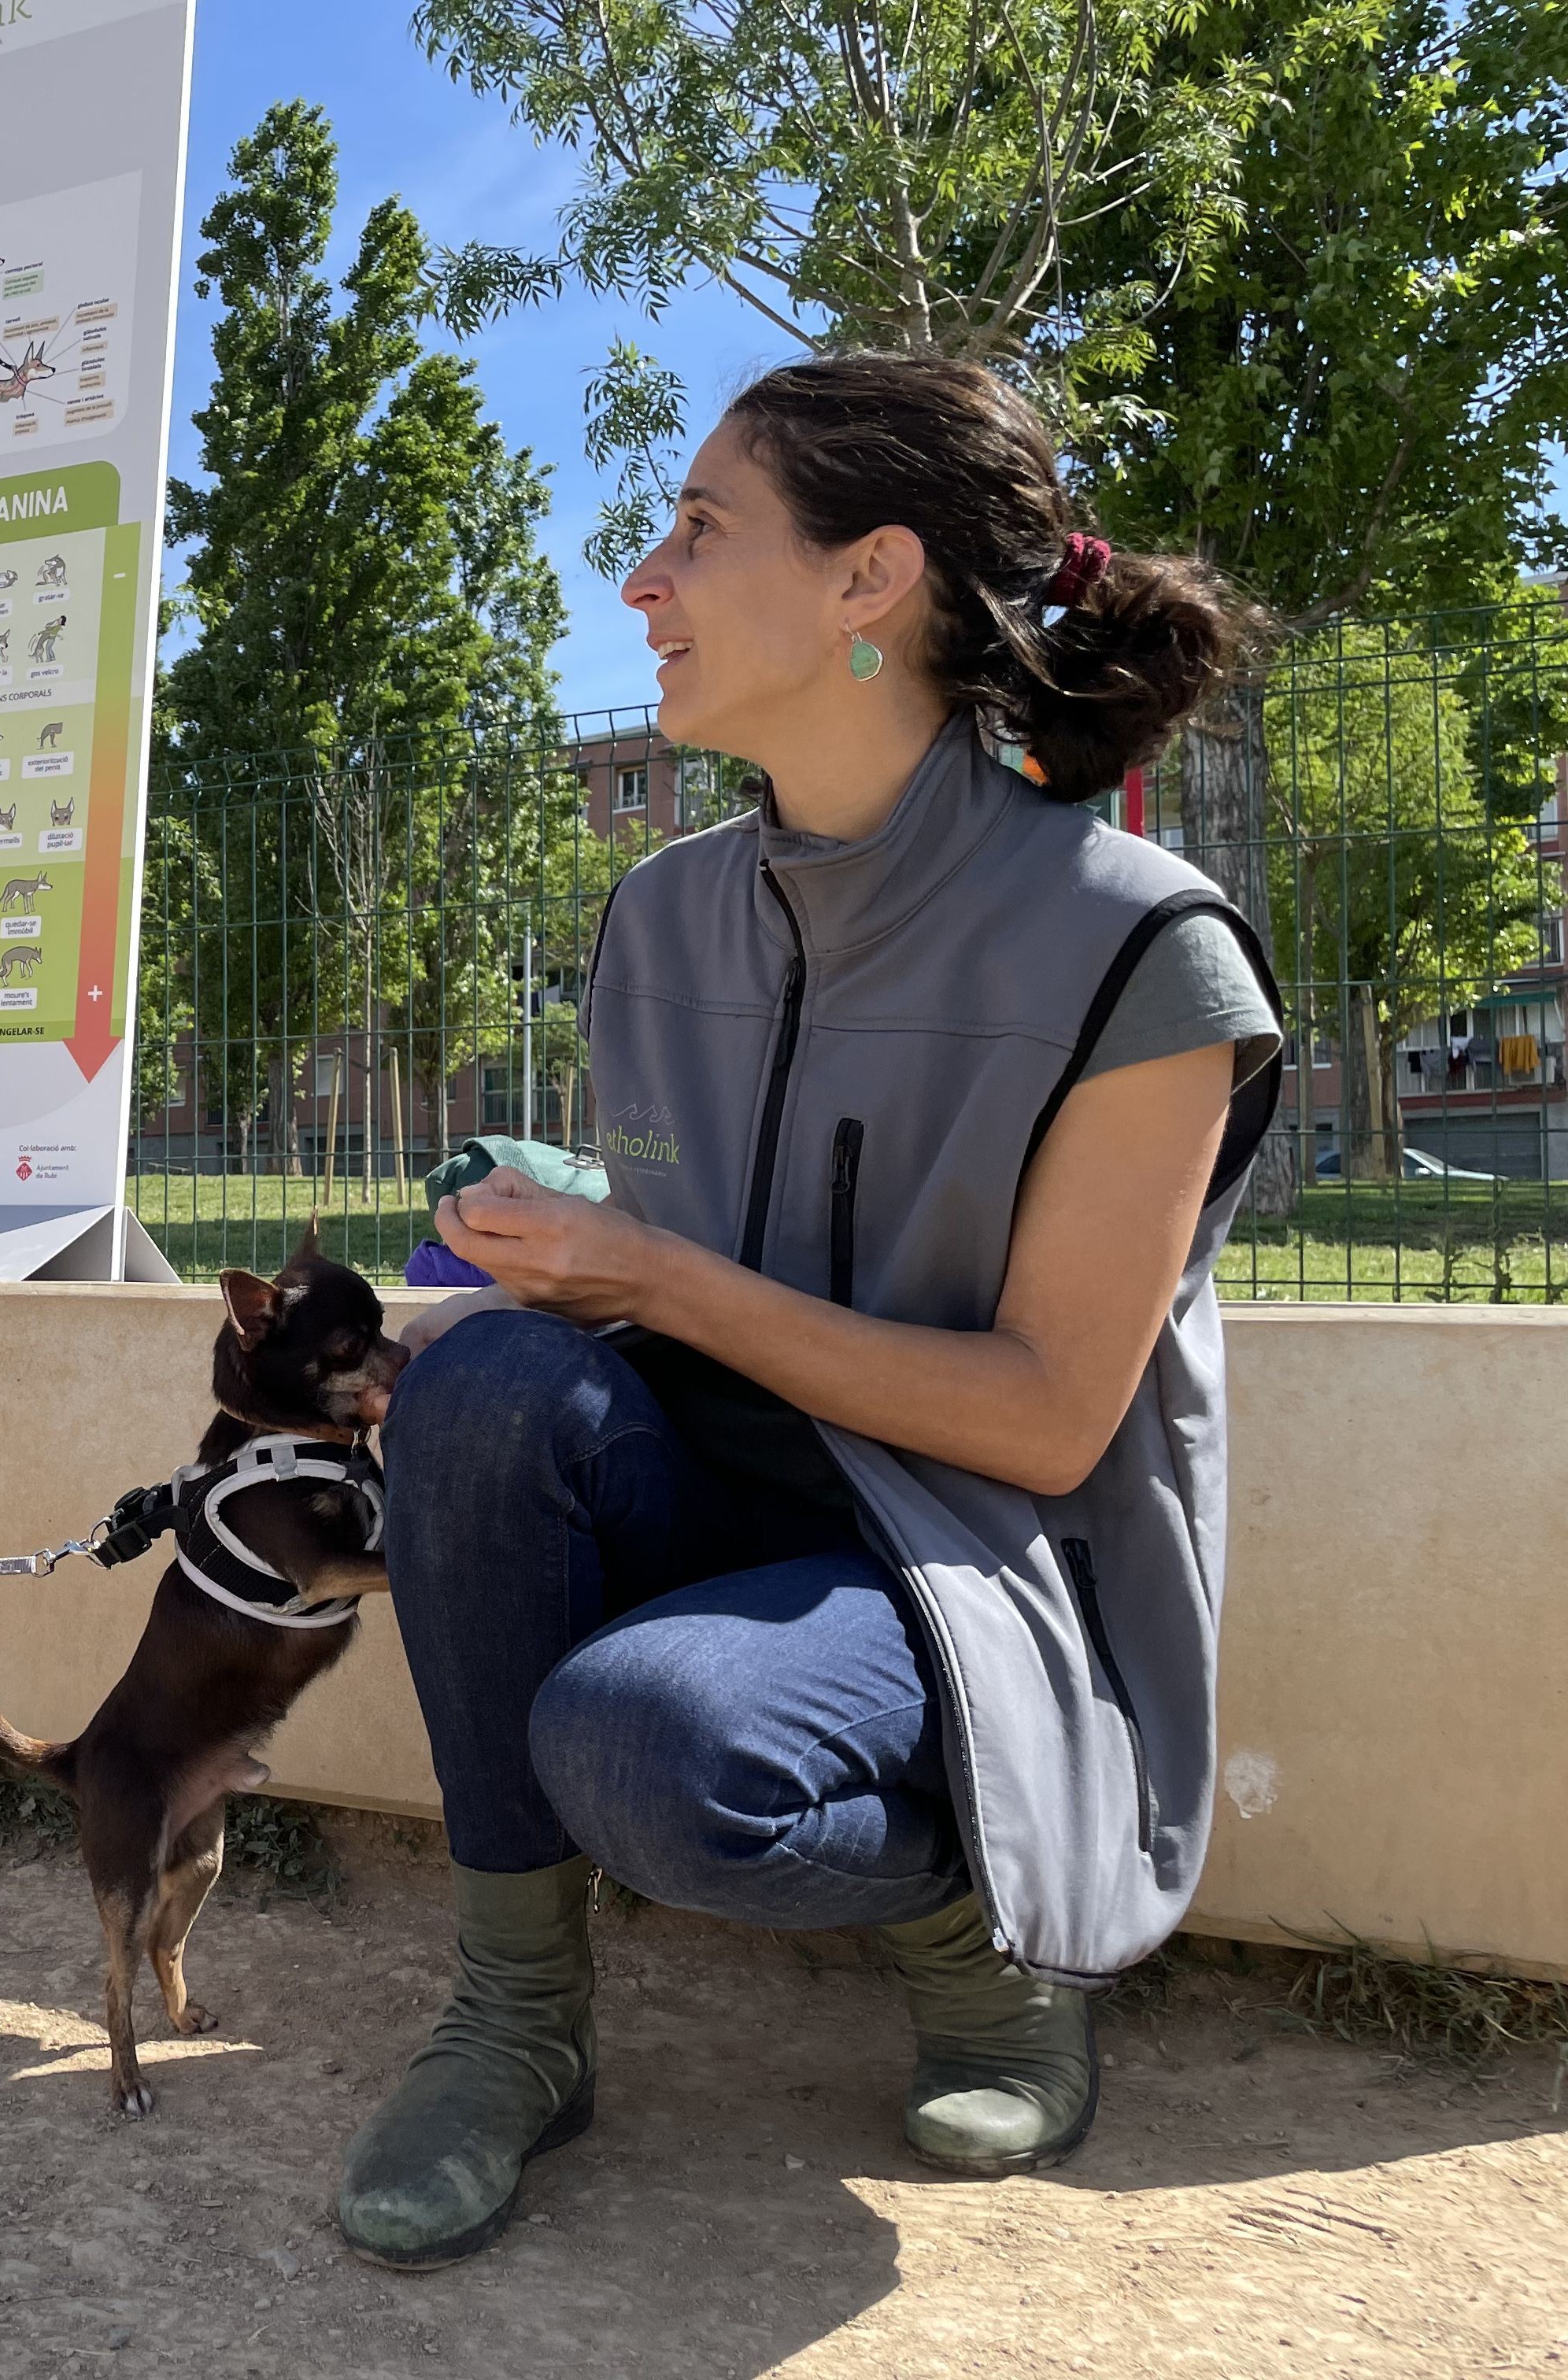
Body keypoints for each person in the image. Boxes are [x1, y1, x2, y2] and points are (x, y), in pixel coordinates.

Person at [335, 353, 1285, 2271]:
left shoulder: (1143, 948)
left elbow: (1042, 1422)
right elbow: (687, 1245)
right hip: (724, 1501)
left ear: (870, 582)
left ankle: (982, 1933)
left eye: (700, 529)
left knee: (641, 1744)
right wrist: (543, 1271)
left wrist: (659, 1272)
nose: (642, 582)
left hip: (976, 1557)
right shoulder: (659, 916)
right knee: (483, 1398)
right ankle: (517, 2019)